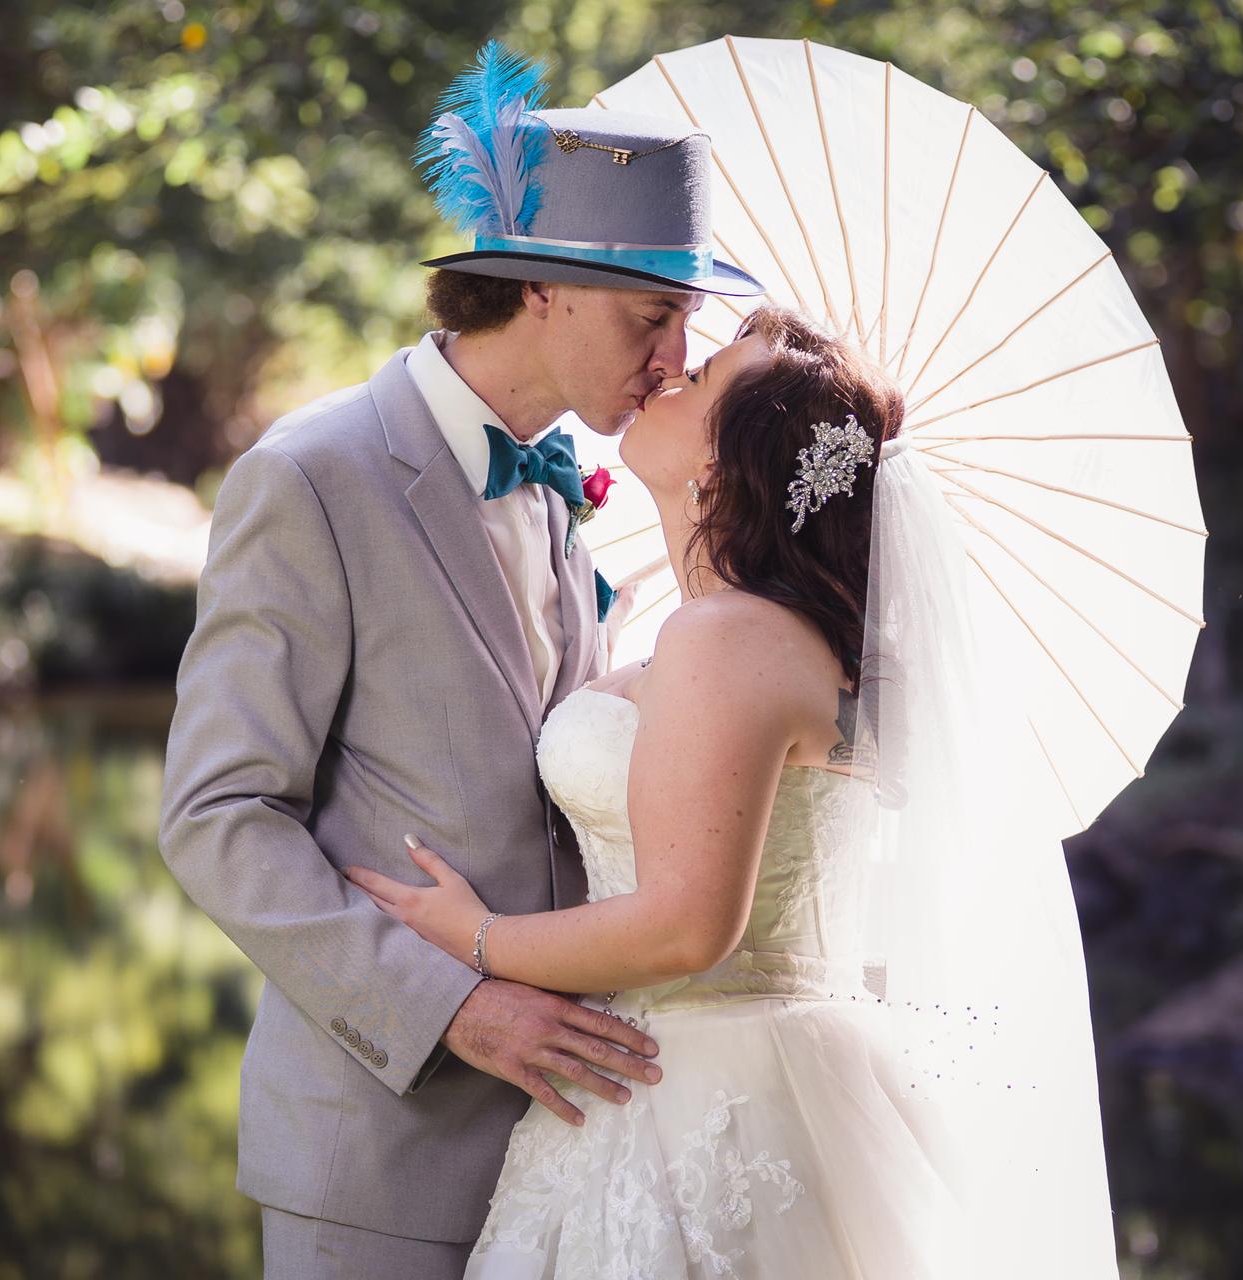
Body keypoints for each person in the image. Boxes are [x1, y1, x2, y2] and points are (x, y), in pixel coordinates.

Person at [346, 304, 1122, 1276]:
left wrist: (475, 937)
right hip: (692, 1077)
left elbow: (686, 925)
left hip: (701, 1100)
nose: (668, 372)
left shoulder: (728, 638)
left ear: (721, 461)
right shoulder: (732, 630)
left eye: (702, 375)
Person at [157, 44, 765, 1277]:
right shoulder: (310, 477)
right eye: (657, 316)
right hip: (376, 1156)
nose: (673, 355)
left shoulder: (566, 489)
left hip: (579, 1159)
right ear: (543, 289)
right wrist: (459, 1007)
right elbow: (218, 815)